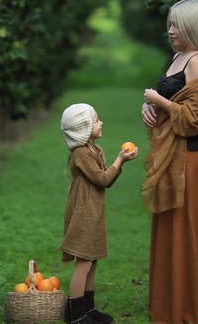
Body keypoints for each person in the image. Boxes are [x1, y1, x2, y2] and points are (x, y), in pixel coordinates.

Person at [140, 0, 198, 324]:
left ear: (192, 26)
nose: (170, 30)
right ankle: (168, 301)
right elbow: (172, 106)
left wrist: (157, 99)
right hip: (172, 153)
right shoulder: (178, 57)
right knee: (170, 224)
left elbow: (192, 121)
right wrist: (150, 109)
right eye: (170, 24)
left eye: (177, 24)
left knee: (186, 226)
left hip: (190, 156)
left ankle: (188, 306)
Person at [60, 103, 139, 324]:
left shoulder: (92, 149)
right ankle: (76, 315)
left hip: (92, 211)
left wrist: (119, 160)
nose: (101, 122)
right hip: (83, 213)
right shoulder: (82, 153)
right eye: (96, 120)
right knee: (84, 263)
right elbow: (103, 180)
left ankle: (88, 308)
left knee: (92, 261)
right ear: (83, 128)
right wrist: (120, 160)